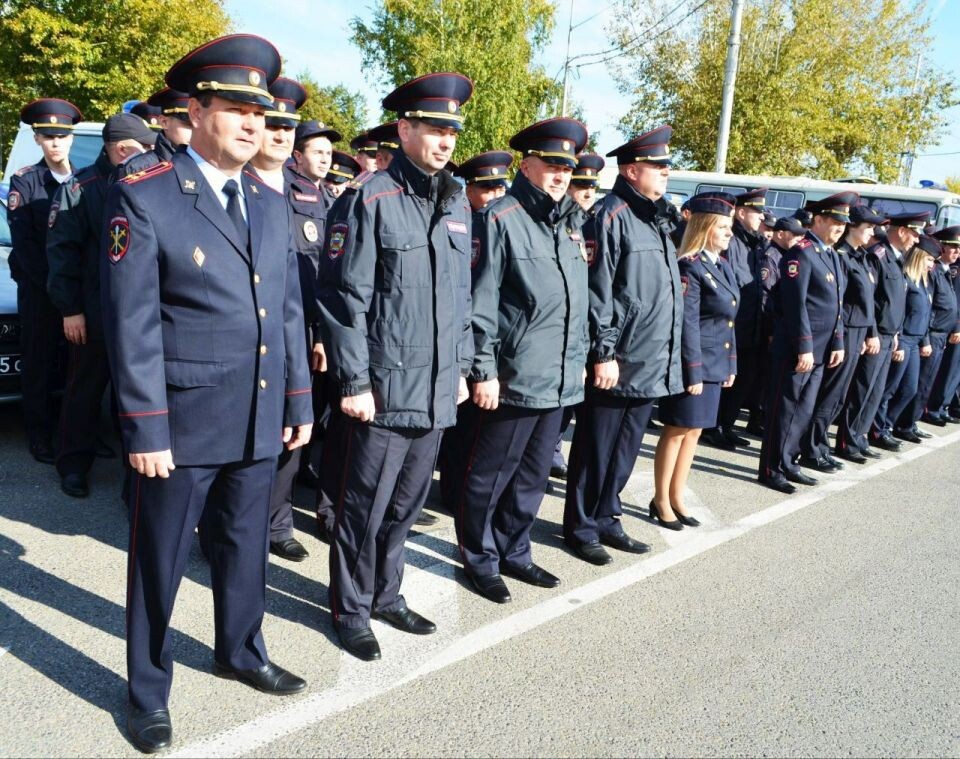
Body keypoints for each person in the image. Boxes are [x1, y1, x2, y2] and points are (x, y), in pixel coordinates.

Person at [101, 35, 314, 753]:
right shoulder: (149, 195)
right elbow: (131, 328)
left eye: (261, 109)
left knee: (245, 545)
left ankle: (241, 649)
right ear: (195, 111)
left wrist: (297, 399)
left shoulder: (270, 201)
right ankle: (147, 689)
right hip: (183, 421)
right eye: (237, 108)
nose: (255, 123)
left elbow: (286, 310)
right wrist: (146, 427)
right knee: (159, 559)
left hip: (256, 412)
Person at [318, 72, 474, 662]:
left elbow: (459, 300)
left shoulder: (455, 202)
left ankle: (387, 594)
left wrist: (461, 366)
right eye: (433, 129)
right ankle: (350, 608)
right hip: (382, 390)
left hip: (434, 388)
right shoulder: (370, 198)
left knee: (408, 505)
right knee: (363, 507)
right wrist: (353, 381)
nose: (444, 141)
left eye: (451, 131)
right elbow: (342, 301)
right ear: (403, 128)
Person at [455, 116, 589, 602]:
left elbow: (577, 302)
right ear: (526, 165)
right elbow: (482, 302)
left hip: (559, 376)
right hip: (514, 375)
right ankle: (479, 557)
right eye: (552, 164)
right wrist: (483, 370)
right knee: (490, 475)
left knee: (532, 477)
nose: (560, 175)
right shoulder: (501, 218)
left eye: (566, 167)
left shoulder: (569, 222)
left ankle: (515, 549)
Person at [562, 125, 683, 566]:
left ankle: (608, 516)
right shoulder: (609, 216)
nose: (666, 172)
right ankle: (581, 525)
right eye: (658, 165)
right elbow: (599, 291)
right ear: (632, 170)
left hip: (651, 356)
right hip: (620, 358)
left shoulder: (655, 218)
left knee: (627, 447)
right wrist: (604, 352)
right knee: (596, 447)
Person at [46, 114, 157, 498]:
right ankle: (73, 465)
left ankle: (136, 481)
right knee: (84, 391)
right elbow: (61, 253)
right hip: (91, 314)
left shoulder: (147, 182)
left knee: (136, 395)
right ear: (124, 149)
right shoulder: (81, 187)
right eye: (145, 148)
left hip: (136, 315)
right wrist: (70, 309)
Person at [246, 76, 317, 563]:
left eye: (288, 127)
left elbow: (326, 272)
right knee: (244, 442)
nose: (280, 135)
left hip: (301, 332)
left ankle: (277, 522)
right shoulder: (232, 184)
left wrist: (324, 336)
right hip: (247, 338)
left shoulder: (308, 191)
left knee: (292, 434)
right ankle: (228, 529)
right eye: (272, 124)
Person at [758, 192, 854, 494]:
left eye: (843, 224)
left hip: (823, 348)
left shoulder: (830, 256)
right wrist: (805, 347)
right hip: (799, 348)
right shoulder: (801, 253)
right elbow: (795, 305)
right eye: (835, 222)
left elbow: (836, 306)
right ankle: (772, 468)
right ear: (820, 219)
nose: (840, 228)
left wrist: (837, 342)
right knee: (784, 409)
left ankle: (789, 462)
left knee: (804, 409)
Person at [653, 193, 738, 528]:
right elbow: (687, 323)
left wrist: (730, 365)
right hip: (695, 364)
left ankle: (677, 495)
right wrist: (693, 370)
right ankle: (661, 499)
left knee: (694, 432)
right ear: (705, 228)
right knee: (676, 430)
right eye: (723, 228)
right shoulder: (690, 266)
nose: (729, 233)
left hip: (716, 363)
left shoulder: (722, 265)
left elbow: (728, 321)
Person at [7, 98, 82, 463]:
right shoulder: (25, 181)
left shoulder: (82, 181)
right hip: (39, 293)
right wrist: (57, 291)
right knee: (37, 362)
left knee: (75, 365)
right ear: (37, 140)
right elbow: (25, 247)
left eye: (62, 136)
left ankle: (74, 432)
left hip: (75, 295)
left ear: (71, 139)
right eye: (48, 136)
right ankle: (39, 434)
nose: (56, 143)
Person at [834, 212, 928, 457]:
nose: (916, 240)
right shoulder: (879, 256)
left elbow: (893, 303)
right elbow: (871, 302)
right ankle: (847, 441)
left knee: (875, 392)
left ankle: (860, 437)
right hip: (875, 335)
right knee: (862, 390)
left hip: (889, 336)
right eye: (915, 234)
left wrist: (896, 333)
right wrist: (871, 333)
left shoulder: (897, 259)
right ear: (902, 231)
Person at [802, 204, 885, 469]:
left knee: (838, 396)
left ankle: (821, 445)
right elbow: (839, 302)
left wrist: (870, 332)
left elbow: (869, 302)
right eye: (868, 228)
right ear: (852, 227)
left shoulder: (861, 257)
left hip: (858, 330)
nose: (872, 233)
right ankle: (812, 449)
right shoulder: (841, 257)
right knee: (829, 394)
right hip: (844, 331)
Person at [704, 188, 768, 450]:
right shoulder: (734, 242)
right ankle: (713, 427)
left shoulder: (755, 242)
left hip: (751, 324)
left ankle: (726, 425)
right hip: (734, 323)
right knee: (725, 382)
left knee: (741, 382)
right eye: (757, 211)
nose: (761, 216)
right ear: (741, 212)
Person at [878, 237, 937, 443]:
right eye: (929, 260)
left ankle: (888, 425)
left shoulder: (923, 282)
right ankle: (878, 430)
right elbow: (900, 314)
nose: (932, 265)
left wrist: (925, 340)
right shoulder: (906, 279)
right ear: (920, 258)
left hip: (915, 341)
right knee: (890, 389)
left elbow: (926, 314)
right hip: (904, 341)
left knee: (909, 390)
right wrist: (900, 341)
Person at [915, 230, 959, 428]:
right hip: (935, 331)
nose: (957, 252)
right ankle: (924, 413)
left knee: (936, 376)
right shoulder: (939, 271)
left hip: (943, 331)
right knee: (925, 379)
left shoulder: (946, 271)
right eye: (953, 247)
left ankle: (927, 413)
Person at [114, 88, 193, 180]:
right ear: (164, 122)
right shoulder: (138, 169)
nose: (196, 131)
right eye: (189, 125)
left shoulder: (207, 162)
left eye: (200, 125)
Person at [292, 119, 342, 195]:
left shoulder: (331, 198)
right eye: (318, 153)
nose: (325, 160)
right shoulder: (285, 192)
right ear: (299, 156)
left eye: (328, 153)